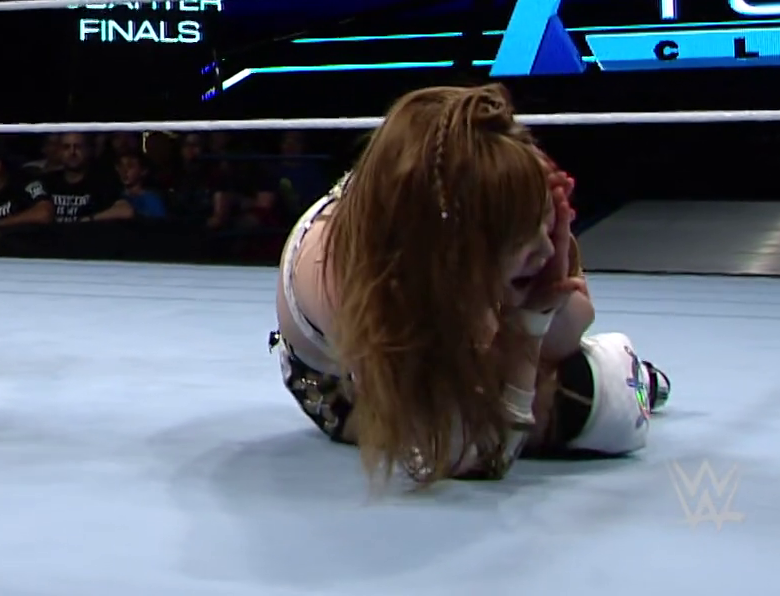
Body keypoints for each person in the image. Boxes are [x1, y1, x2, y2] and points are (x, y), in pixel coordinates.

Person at [269, 84, 672, 485]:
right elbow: (473, 457)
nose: (546, 248)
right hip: (346, 387)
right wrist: (530, 325)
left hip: (449, 289)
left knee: (568, 374)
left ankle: (610, 382)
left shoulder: (485, 187)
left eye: (545, 225)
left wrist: (546, 296)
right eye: (527, 239)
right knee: (560, 399)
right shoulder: (351, 284)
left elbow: (572, 326)